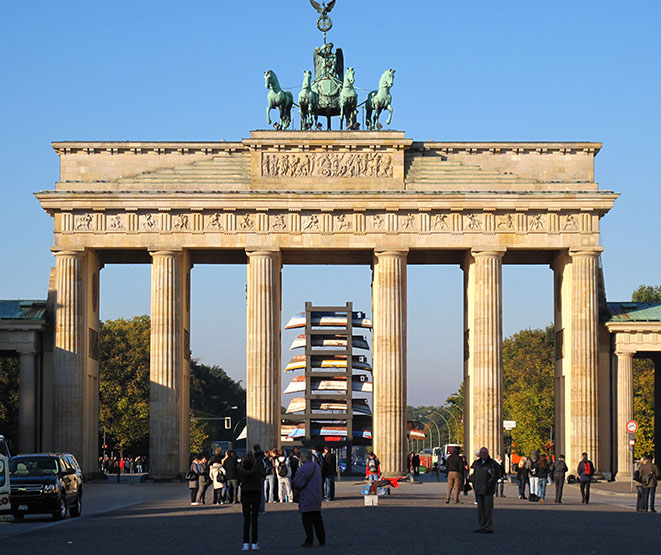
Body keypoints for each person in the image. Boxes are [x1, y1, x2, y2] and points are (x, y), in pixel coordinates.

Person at [292, 448, 326, 548]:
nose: (300, 458)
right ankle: (322, 539)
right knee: (318, 520)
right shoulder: (317, 467)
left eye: (301, 456)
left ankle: (309, 540)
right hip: (317, 496)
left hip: (306, 496)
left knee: (307, 521)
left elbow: (297, 482)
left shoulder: (302, 469)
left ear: (305, 457)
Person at [470, 447, 501, 534]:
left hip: (488, 489)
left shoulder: (492, 463)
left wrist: (489, 483)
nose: (482, 454)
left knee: (488, 508)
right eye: (481, 452)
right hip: (478, 488)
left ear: (487, 453)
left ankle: (488, 526)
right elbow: (473, 474)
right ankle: (482, 525)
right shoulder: (477, 463)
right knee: (480, 509)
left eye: (484, 452)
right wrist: (473, 482)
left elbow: (496, 475)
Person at [237, 451, 264, 551]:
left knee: (246, 519)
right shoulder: (257, 468)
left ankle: (245, 543)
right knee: (255, 519)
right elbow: (263, 474)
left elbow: (239, 479)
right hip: (255, 492)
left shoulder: (241, 469)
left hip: (245, 493)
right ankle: (254, 543)